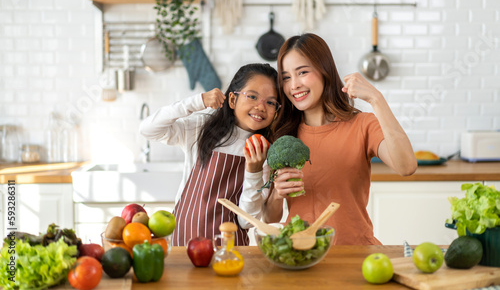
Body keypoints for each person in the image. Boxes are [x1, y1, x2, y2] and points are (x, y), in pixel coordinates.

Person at [259, 33, 417, 245]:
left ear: (325, 71)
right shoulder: (282, 134)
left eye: (303, 72)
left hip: (355, 254)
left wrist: (376, 99)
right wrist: (278, 194)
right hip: (301, 256)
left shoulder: (362, 125)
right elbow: (270, 218)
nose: (293, 85)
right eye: (286, 77)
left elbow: (406, 166)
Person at [139, 63, 279, 246]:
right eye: (252, 96)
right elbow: (148, 130)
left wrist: (254, 171)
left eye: (270, 102)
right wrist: (197, 101)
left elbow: (246, 221)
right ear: (232, 100)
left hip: (229, 250)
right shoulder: (200, 129)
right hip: (183, 241)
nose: (261, 107)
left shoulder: (265, 152)